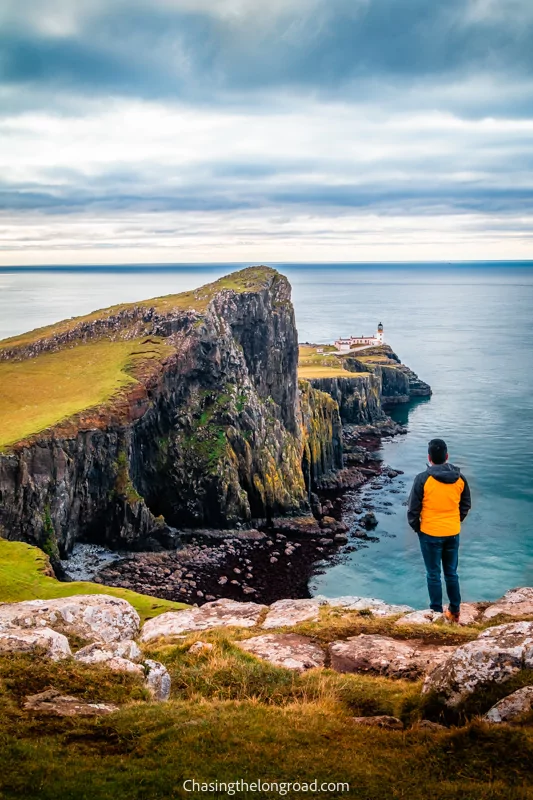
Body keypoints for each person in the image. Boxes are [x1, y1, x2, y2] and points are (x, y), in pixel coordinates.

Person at [407, 438, 471, 623]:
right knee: (451, 572)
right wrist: (455, 520)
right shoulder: (460, 479)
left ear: (429, 457)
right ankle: (455, 610)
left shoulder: (423, 479)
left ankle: (436, 612)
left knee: (433, 573)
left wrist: (418, 528)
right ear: (447, 456)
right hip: (452, 532)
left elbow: (413, 509)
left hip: (430, 533)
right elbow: (466, 504)